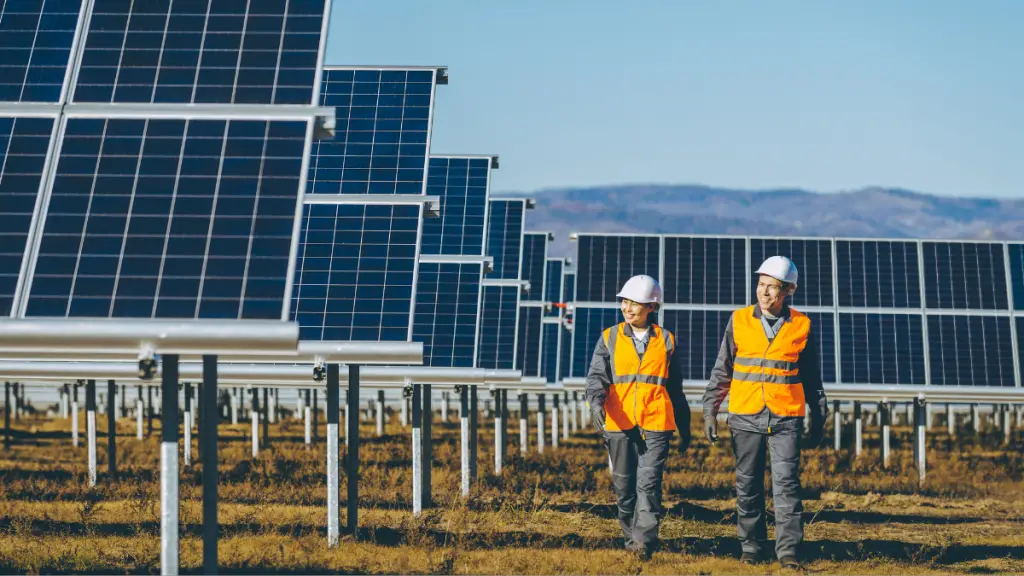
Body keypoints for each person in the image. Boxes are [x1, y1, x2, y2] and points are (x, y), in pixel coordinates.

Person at [701, 256, 828, 569]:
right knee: (748, 486)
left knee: (787, 486)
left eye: (773, 287)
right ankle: (752, 549)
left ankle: (788, 553)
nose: (765, 293)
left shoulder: (802, 325)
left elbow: (811, 376)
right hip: (745, 416)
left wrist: (820, 413)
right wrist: (710, 410)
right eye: (761, 285)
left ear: (788, 291)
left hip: (786, 416)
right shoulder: (739, 320)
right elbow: (722, 370)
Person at [585, 274, 691, 560]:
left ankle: (642, 544)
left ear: (652, 307)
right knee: (624, 486)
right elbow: (596, 378)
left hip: (656, 423)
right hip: (619, 424)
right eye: (624, 302)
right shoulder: (609, 337)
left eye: (635, 303)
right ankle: (631, 537)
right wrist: (595, 405)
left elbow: (676, 387)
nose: (628, 308)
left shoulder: (667, 340)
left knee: (648, 483)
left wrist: (685, 426)